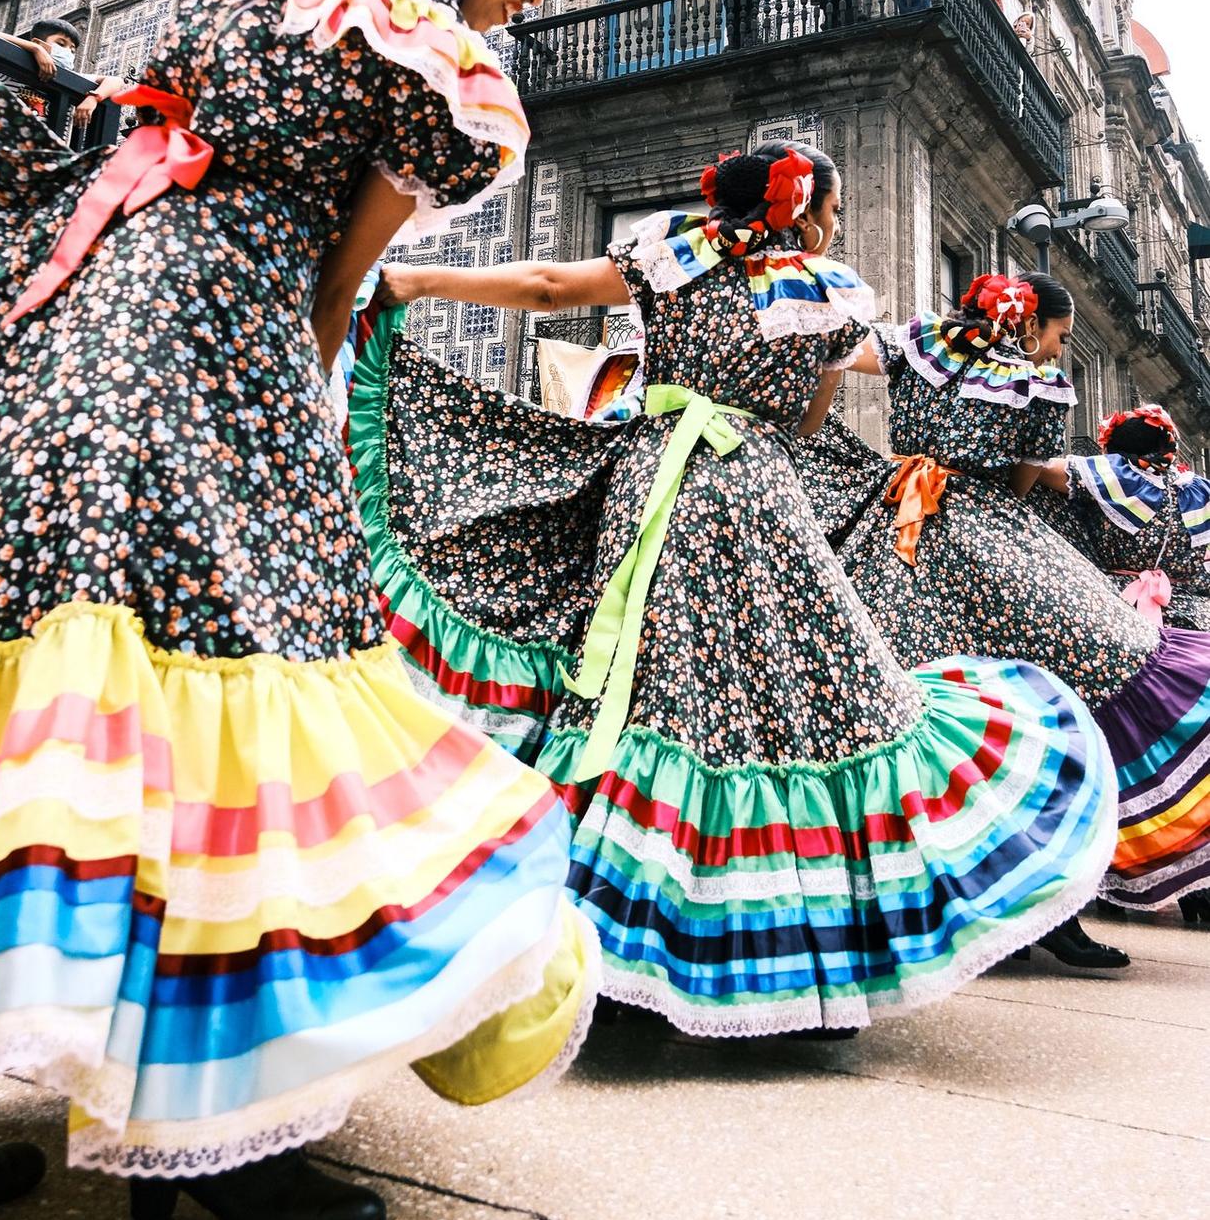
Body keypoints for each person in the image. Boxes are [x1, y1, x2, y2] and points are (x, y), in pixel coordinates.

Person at [0, 0, 597, 1220]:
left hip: (83, 315)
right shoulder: (438, 63)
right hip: (220, 354)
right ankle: (220, 1128)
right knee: (238, 694)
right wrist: (300, 422)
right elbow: (337, 280)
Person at [345, 142, 1117, 1035]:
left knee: (639, 689)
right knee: (804, 695)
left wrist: (415, 283)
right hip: (755, 489)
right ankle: (783, 950)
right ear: (800, 209)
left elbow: (551, 288)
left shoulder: (669, 252)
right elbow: (822, 412)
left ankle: (603, 940)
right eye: (827, 205)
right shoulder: (822, 293)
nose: (831, 221)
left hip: (651, 486)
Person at [804, 272, 1210, 960]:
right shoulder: (1037, 385)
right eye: (1057, 335)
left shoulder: (920, 344)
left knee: (924, 714)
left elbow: (834, 352)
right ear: (1029, 326)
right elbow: (1020, 481)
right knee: (1049, 707)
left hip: (897, 537)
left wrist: (823, 425)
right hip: (990, 543)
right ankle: (1051, 914)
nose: (1057, 349)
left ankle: (958, 906)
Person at [1032, 404, 1210, 925]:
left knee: (1122, 747)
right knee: (1191, 755)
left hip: (1122, 616)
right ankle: (1199, 884)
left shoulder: (1114, 479)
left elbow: (1039, 466)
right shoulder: (1195, 492)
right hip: (1195, 621)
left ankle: (1113, 868)